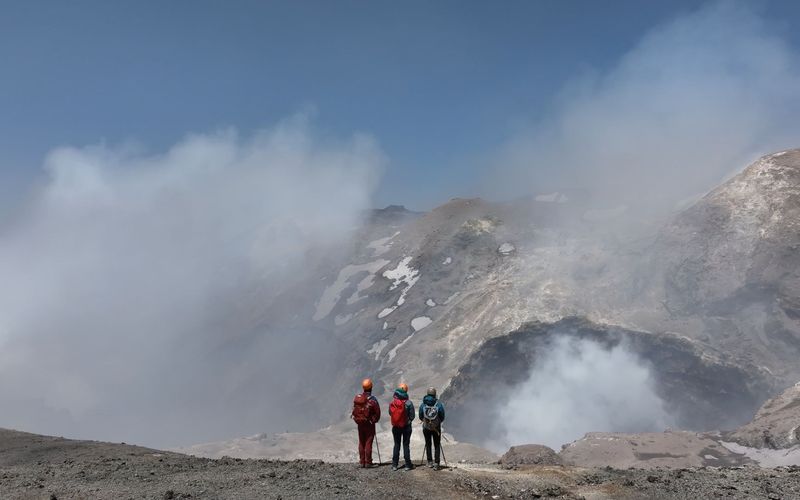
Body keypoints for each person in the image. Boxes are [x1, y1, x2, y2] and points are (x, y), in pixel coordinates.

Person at [351, 378, 381, 468]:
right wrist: (374, 420)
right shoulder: (372, 399)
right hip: (369, 424)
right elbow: (377, 412)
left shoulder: (359, 399)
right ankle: (368, 462)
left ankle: (362, 461)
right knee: (368, 442)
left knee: (361, 442)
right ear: (371, 387)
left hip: (360, 424)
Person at [389, 382, 415, 471]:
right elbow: (412, 416)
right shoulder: (409, 403)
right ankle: (408, 464)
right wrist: (407, 421)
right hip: (406, 427)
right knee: (406, 445)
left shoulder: (393, 402)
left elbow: (390, 413)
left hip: (396, 427)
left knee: (396, 445)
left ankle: (394, 465)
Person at [419, 387, 446, 470]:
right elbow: (442, 416)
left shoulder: (423, 404)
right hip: (436, 428)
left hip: (426, 427)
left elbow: (420, 416)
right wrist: (437, 423)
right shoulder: (438, 404)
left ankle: (429, 462)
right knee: (437, 444)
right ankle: (436, 463)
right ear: (434, 394)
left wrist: (426, 422)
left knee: (428, 444)